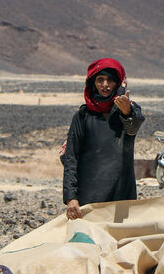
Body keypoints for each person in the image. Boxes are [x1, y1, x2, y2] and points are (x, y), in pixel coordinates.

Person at [61, 58, 144, 219]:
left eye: (110, 80)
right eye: (100, 80)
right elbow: (71, 158)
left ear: (118, 84)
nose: (105, 84)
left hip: (121, 194)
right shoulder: (82, 117)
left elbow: (134, 125)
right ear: (93, 83)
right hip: (89, 196)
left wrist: (127, 112)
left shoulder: (128, 111)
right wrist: (71, 197)